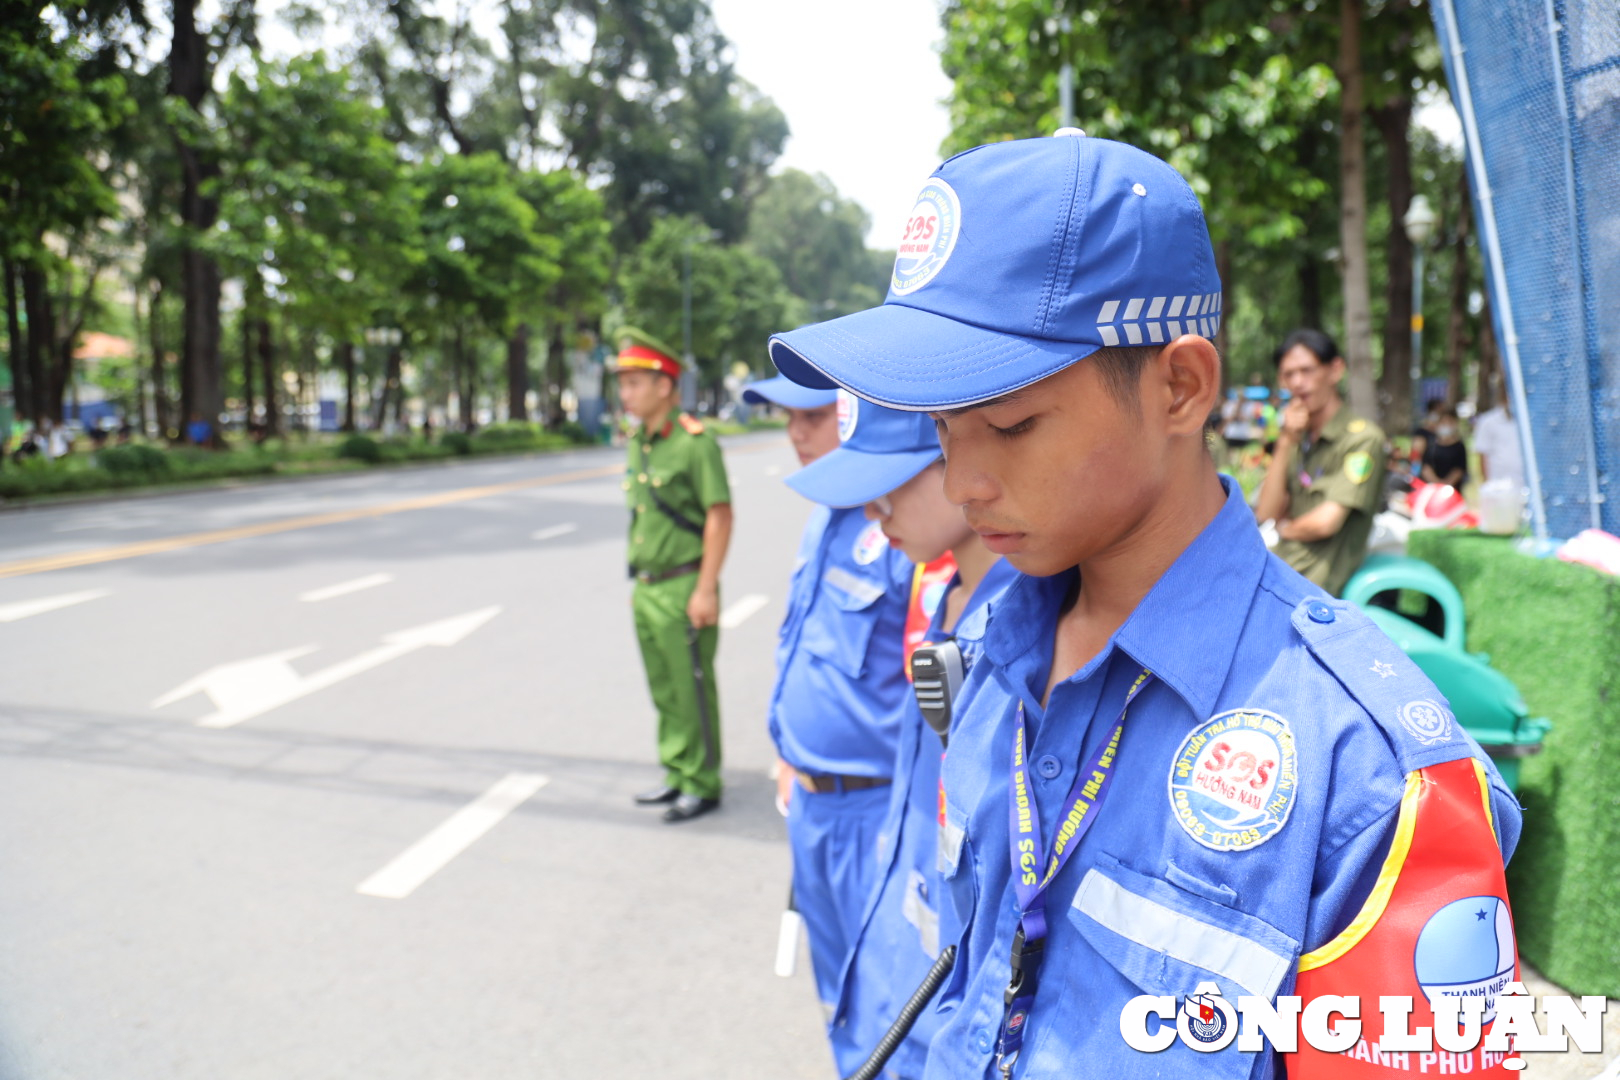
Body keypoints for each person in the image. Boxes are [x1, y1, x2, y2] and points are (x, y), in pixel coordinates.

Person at [769, 131, 1522, 1079]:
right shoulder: (988, 651)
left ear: (1180, 386)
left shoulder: (1367, 776)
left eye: (1007, 424)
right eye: (942, 429)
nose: (962, 481)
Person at [786, 395, 1017, 1079]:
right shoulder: (948, 597)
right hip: (894, 961)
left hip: (934, 1012)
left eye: (891, 482)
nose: (873, 509)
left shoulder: (1019, 635)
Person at [757, 380, 919, 1025]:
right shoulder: (826, 511)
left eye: (814, 416)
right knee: (840, 1003)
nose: (797, 432)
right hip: (812, 802)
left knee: (889, 1009)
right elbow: (798, 639)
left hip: (872, 810)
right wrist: (787, 750)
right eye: (789, 418)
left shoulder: (903, 529)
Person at [616, 333, 733, 824]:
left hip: (685, 584)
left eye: (635, 382)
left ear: (666, 386)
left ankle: (702, 782)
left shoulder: (693, 442)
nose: (626, 393)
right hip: (647, 586)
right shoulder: (640, 441)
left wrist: (705, 587)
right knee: (664, 688)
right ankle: (677, 770)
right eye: (622, 383)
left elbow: (719, 515)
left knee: (691, 687)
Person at [1254, 329, 1387, 597]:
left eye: (1307, 370)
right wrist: (1285, 441)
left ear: (1335, 370)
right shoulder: (1297, 439)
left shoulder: (1361, 439)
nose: (1298, 382)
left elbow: (1326, 522)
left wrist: (1284, 528)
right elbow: (1265, 512)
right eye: (1289, 374)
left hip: (1314, 584)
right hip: (1280, 567)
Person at [1473, 392, 1524, 494]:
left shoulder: (1529, 419)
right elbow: (1483, 455)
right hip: (1498, 488)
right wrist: (1488, 484)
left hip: (1524, 485)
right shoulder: (1487, 421)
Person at [1419, 404, 1468, 489]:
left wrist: (1446, 485)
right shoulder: (1431, 444)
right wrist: (1436, 483)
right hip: (1432, 489)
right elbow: (1426, 467)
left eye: (1450, 422)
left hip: (1452, 490)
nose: (1446, 425)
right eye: (1443, 422)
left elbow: (1459, 470)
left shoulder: (1459, 446)